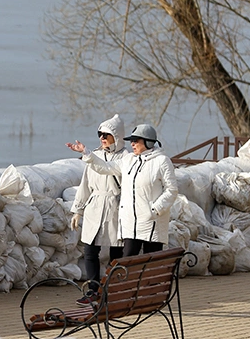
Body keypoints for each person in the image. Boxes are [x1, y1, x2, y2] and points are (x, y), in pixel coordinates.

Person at [67, 122, 179, 260]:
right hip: (130, 224)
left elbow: (172, 190)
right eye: (131, 141)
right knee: (126, 263)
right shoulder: (128, 160)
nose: (132, 144)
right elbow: (105, 167)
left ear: (148, 142)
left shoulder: (162, 161)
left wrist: (155, 210)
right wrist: (86, 152)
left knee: (151, 262)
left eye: (135, 141)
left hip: (151, 222)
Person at [68, 115, 125, 304]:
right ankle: (92, 290)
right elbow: (85, 184)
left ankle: (114, 290)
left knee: (116, 251)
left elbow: (106, 169)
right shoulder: (95, 155)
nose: (102, 138)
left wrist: (87, 154)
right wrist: (78, 210)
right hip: (95, 205)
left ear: (116, 136)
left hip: (115, 206)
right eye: (100, 134)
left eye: (106, 134)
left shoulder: (126, 157)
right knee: (90, 250)